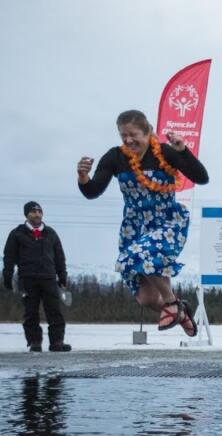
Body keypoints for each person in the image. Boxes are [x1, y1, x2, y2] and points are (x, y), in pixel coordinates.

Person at [77, 110, 208, 337]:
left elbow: (201, 177)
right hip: (134, 227)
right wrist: (83, 178)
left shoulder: (165, 153)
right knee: (145, 298)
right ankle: (180, 310)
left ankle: (171, 302)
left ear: (148, 132)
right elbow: (93, 191)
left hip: (166, 223)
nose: (128, 140)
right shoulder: (115, 157)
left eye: (133, 134)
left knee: (139, 255)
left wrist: (183, 151)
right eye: (123, 135)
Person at [3, 201, 71, 352]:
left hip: (49, 278)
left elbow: (59, 257)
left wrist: (62, 277)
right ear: (27, 215)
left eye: (39, 211)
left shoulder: (50, 233)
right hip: (27, 279)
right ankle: (35, 342)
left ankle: (57, 342)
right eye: (33, 212)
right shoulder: (17, 233)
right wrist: (7, 276)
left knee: (55, 312)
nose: (37, 214)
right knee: (30, 313)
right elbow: (9, 257)